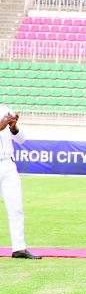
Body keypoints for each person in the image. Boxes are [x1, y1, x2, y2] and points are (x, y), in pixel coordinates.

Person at [0, 108, 40, 259]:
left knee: (16, 208)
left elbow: (21, 140)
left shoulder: (5, 110)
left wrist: (14, 128)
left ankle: (19, 248)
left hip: (8, 165)